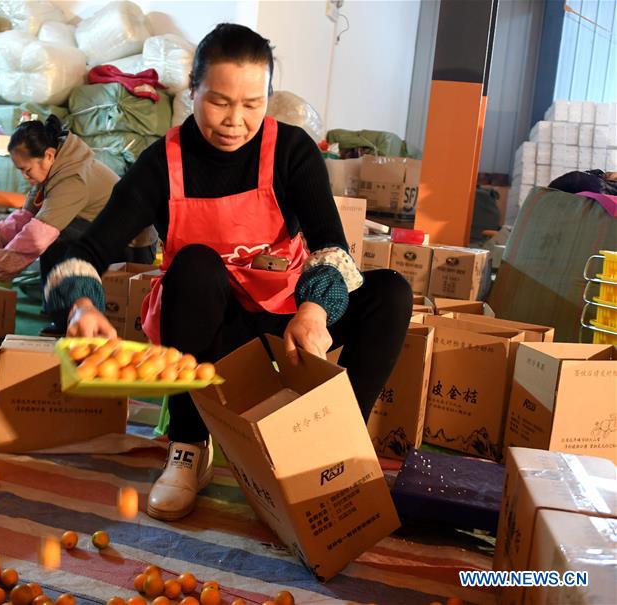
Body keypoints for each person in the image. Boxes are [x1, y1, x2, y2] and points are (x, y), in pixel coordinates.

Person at [42, 24, 413, 521]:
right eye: (218, 101)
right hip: (211, 330)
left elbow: (331, 245)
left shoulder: (291, 151)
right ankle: (189, 447)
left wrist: (314, 310)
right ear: (191, 90)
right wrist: (82, 304)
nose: (235, 121)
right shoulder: (161, 165)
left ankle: (337, 451)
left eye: (252, 104)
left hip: (286, 318)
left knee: (390, 291)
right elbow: (83, 250)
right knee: (193, 264)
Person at [0, 115, 157, 332]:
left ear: (48, 155)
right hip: (99, 237)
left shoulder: (73, 178)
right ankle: (63, 318)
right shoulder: (53, 170)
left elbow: (35, 237)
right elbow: (26, 217)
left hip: (130, 248)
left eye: (26, 170)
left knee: (51, 237)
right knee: (49, 233)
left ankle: (75, 319)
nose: (25, 176)